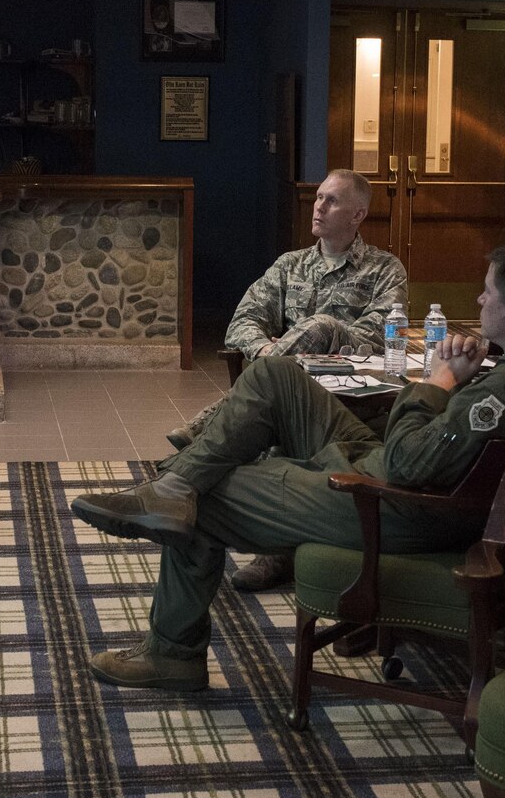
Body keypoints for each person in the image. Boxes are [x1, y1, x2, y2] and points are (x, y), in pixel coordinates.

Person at [68, 241, 505, 692]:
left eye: (488, 293)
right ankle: (175, 482)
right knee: (276, 376)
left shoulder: (504, 395)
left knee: (213, 491)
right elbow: (431, 447)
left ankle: (172, 652)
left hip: (396, 506)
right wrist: (443, 387)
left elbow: (407, 463)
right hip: (400, 471)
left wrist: (439, 381)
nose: (479, 300)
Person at [171, 168, 406, 592]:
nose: (318, 206)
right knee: (281, 382)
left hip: (350, 394)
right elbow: (242, 322)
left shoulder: (385, 270)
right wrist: (267, 352)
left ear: (358, 215)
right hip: (288, 387)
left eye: (331, 200)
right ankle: (259, 539)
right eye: (318, 197)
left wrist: (318, 335)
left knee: (318, 326)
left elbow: (376, 335)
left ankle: (210, 427)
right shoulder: (290, 265)